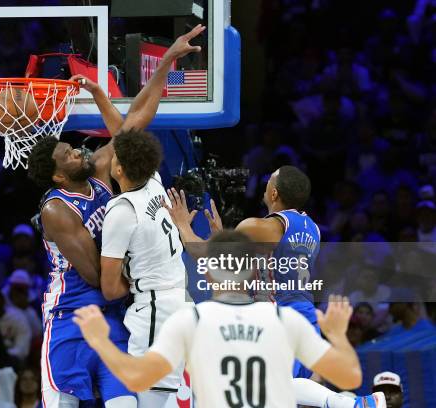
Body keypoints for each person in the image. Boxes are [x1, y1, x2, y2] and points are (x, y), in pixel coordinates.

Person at [26, 24, 205, 408]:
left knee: (127, 401)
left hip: (115, 312)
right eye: (69, 154)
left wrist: (167, 62)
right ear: (59, 175)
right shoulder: (57, 209)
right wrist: (145, 282)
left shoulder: (103, 169)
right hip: (71, 316)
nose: (79, 151)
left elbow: (136, 119)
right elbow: (96, 275)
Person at [164, 166, 386, 408]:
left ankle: (353, 404)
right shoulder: (312, 228)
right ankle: (354, 404)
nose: (265, 182)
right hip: (305, 312)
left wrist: (183, 225)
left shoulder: (258, 226)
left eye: (270, 179)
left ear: (274, 194)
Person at [73, 230, 363, 407]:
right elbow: (350, 376)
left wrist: (100, 341)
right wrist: (337, 336)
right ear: (252, 273)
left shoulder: (188, 321)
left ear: (208, 273)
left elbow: (136, 376)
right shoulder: (284, 320)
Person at [99, 130, 189, 407]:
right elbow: (124, 134)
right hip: (179, 299)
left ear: (119, 168)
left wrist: (139, 283)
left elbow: (110, 289)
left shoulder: (122, 210)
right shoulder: (155, 180)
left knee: (153, 399)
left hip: (155, 309)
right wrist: (101, 95)